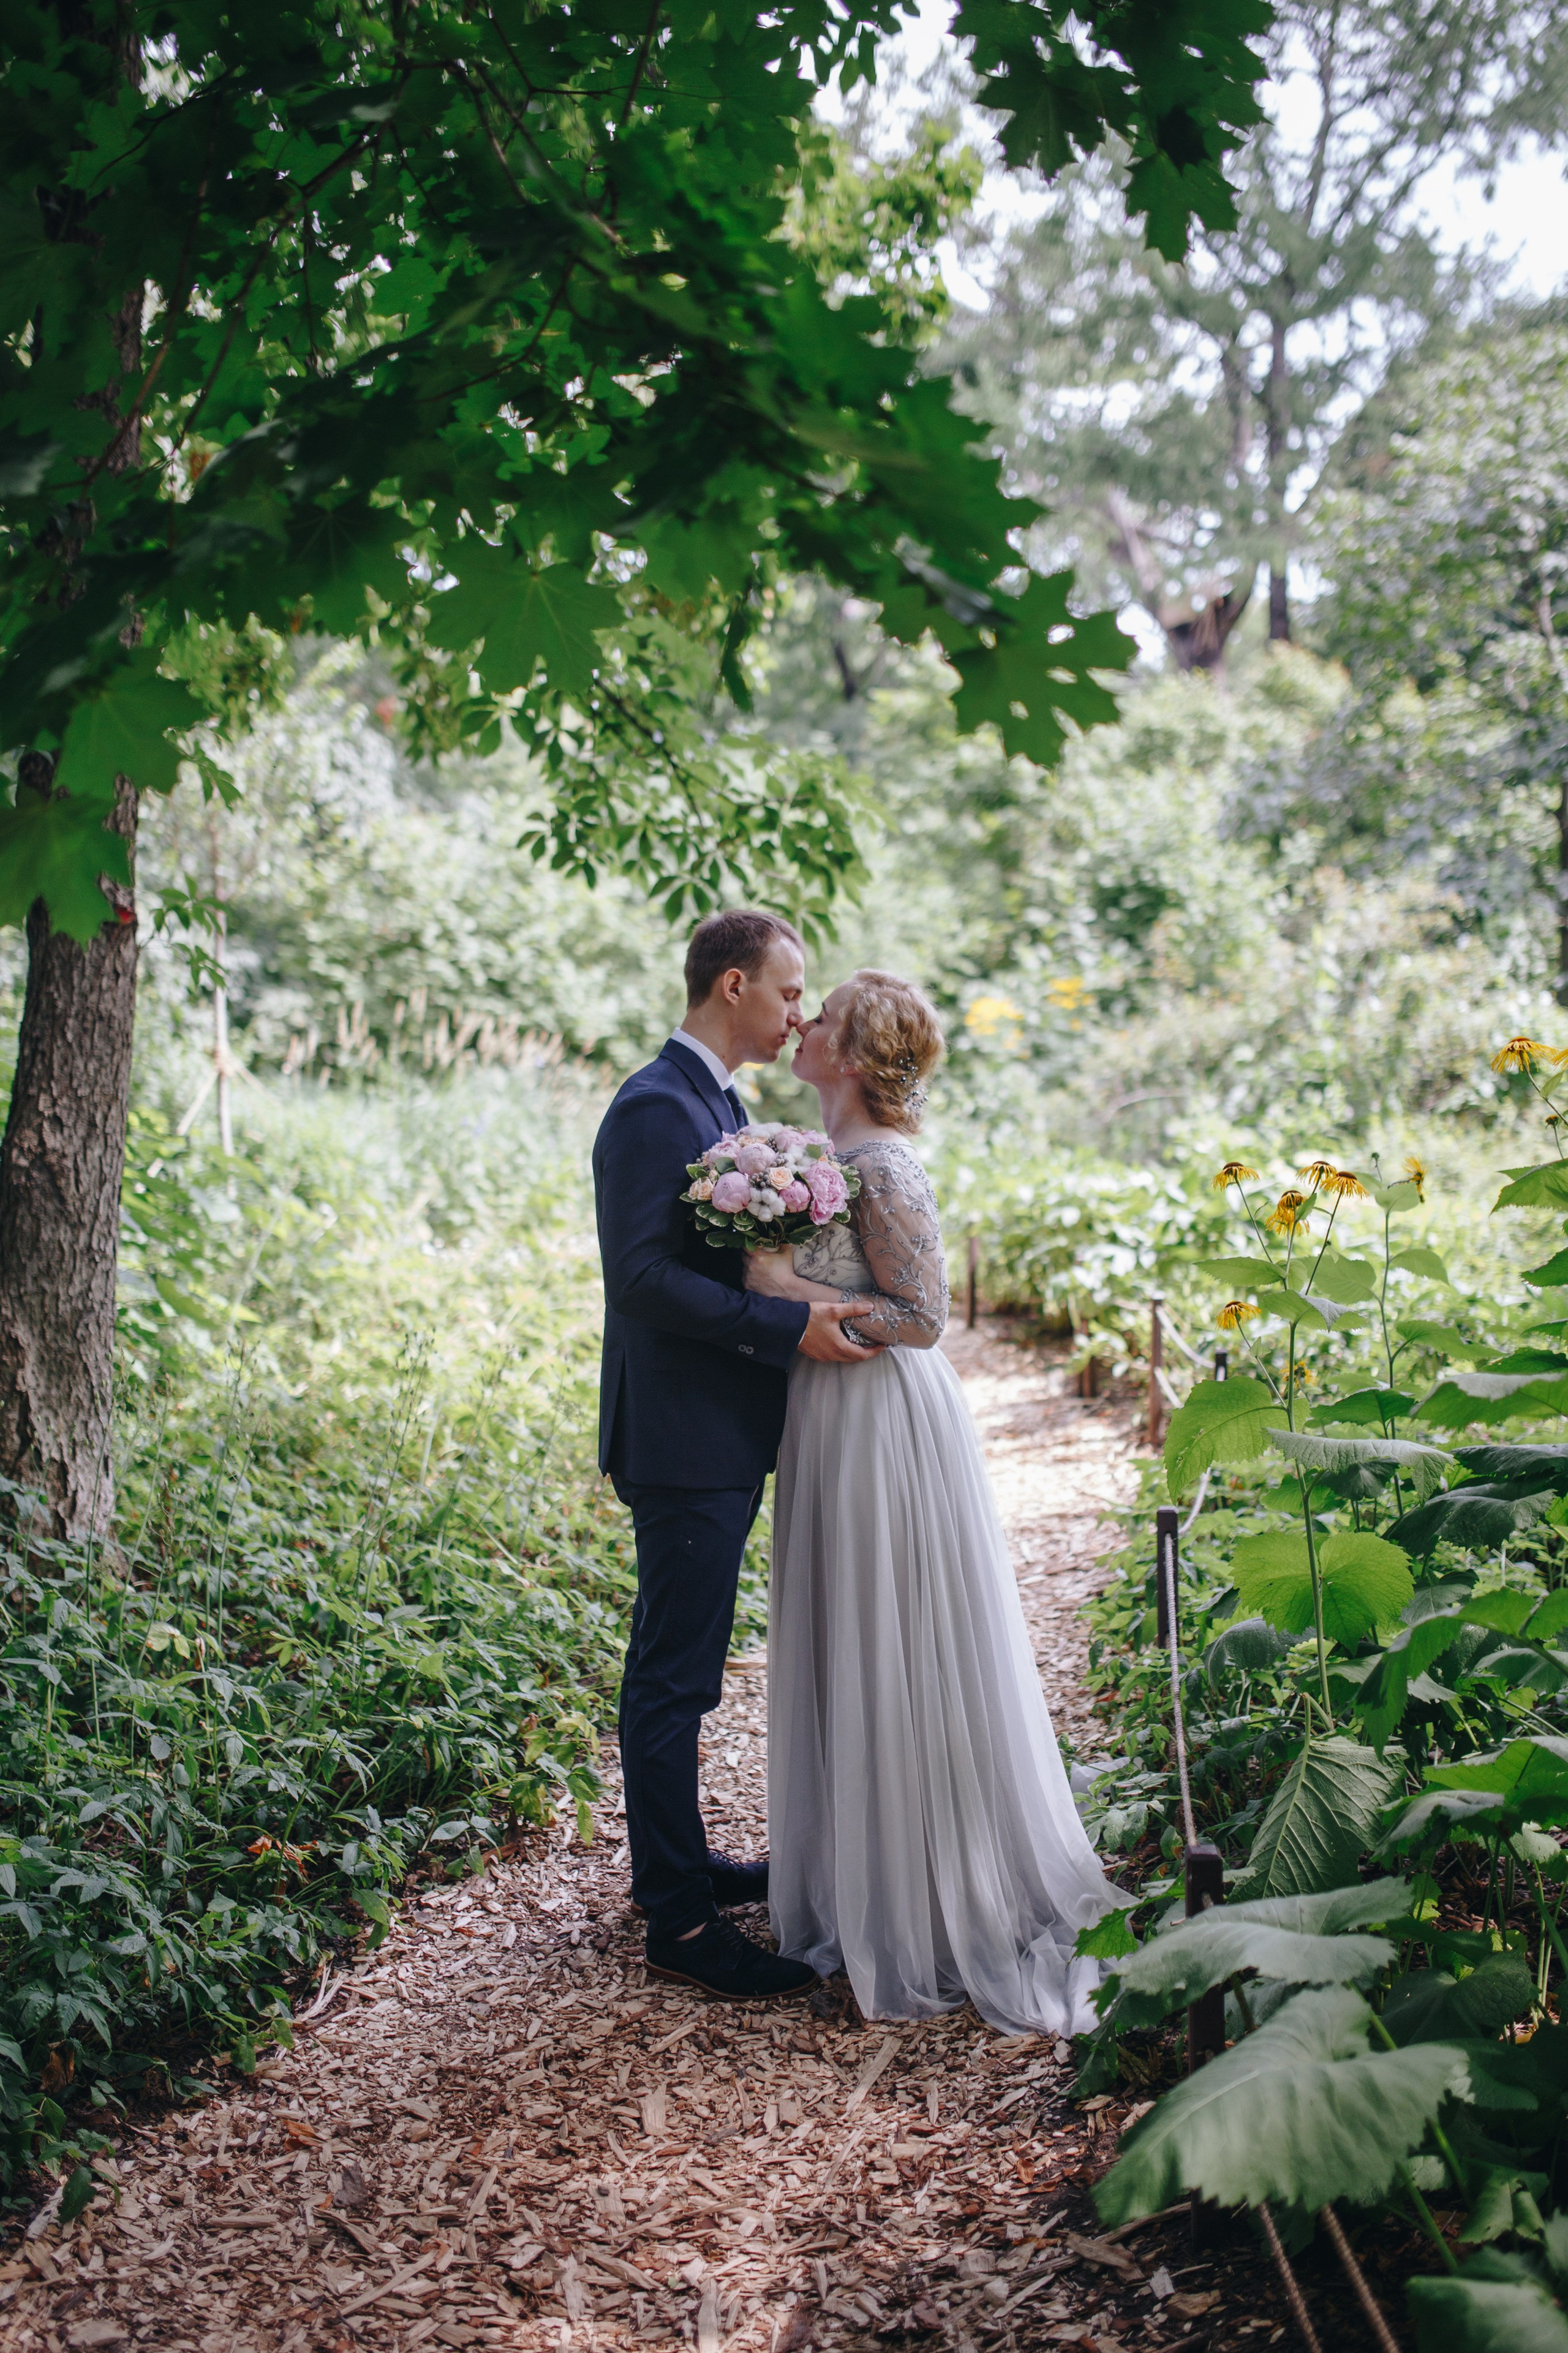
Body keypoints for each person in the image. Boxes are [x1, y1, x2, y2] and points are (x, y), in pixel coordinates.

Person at [744, 969, 1115, 2034]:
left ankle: (927, 1904)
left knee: (893, 1635)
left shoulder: (883, 1165)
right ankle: (864, 1885)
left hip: (883, 1415)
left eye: (825, 1017)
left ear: (855, 1054)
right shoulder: (824, 1158)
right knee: (847, 1631)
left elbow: (922, 1315)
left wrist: (784, 1287)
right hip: (826, 1407)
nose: (804, 1024)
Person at [593, 908, 881, 2003]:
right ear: (730, 986)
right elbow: (644, 1283)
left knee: (688, 1667)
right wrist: (784, 1331)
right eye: (787, 989)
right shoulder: (653, 1105)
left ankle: (681, 1867)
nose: (798, 1010)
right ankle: (677, 1919)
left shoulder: (718, 1103)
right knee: (674, 1675)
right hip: (678, 1441)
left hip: (716, 1434)